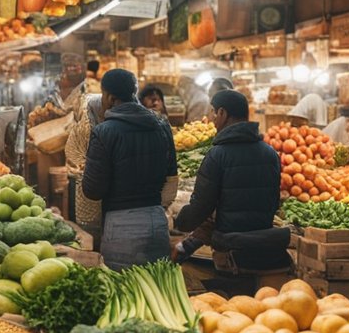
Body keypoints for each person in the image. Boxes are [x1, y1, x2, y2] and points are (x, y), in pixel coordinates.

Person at [173, 90, 290, 271]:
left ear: (222, 113)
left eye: (213, 112)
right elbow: (273, 202)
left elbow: (202, 206)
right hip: (265, 250)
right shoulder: (270, 153)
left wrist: (179, 223)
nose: (212, 118)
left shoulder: (217, 155)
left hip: (230, 253)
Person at [81, 69, 178, 270]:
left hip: (121, 227)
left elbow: (92, 190)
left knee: (124, 293)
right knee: (157, 290)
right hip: (157, 222)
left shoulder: (103, 132)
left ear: (109, 96)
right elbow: (172, 180)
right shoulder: (162, 125)